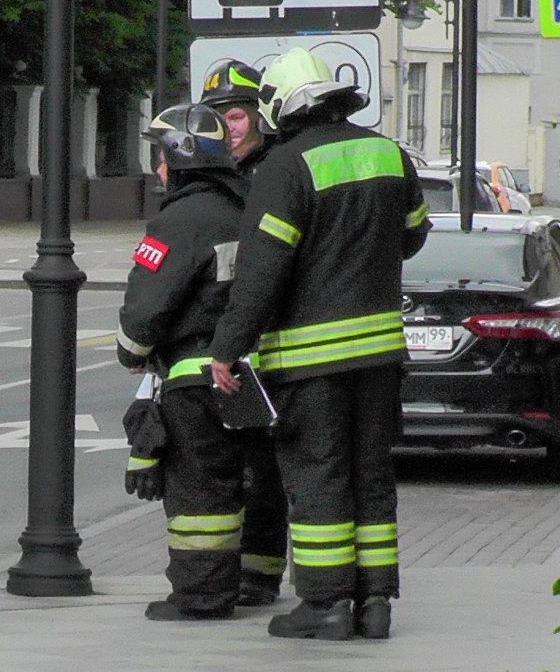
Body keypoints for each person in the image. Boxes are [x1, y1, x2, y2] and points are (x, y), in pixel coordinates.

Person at [207, 47, 429, 641]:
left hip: (310, 362)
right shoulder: (389, 153)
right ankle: (375, 602)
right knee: (371, 473)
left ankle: (326, 604)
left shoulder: (283, 167)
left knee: (318, 475)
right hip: (381, 353)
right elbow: (413, 238)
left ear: (281, 106)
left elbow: (261, 274)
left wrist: (226, 349)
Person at [116, 102, 249, 621]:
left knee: (199, 492)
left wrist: (131, 351)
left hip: (196, 379)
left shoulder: (180, 219)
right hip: (256, 377)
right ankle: (252, 583)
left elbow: (147, 304)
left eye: (160, 155)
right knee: (247, 485)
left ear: (176, 161)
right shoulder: (249, 208)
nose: (158, 168)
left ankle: (200, 597)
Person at [197, 59, 288, 608]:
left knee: (267, 467)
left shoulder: (277, 169)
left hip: (267, 338)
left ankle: (261, 573)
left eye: (234, 116)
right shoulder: (211, 175)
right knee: (230, 465)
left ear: (259, 117)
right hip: (225, 341)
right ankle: (236, 569)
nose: (227, 128)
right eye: (218, 118)